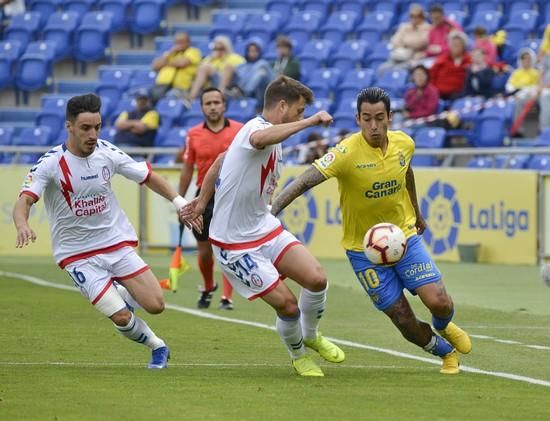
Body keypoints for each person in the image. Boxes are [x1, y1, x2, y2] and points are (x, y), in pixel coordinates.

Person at [270, 87, 472, 375]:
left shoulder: (405, 144)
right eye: (367, 119)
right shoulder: (345, 153)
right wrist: (272, 211)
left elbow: (406, 173)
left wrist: (417, 212)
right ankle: (446, 353)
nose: (374, 126)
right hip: (363, 251)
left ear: (390, 117)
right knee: (403, 319)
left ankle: (443, 325)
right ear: (357, 119)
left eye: (379, 118)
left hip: (403, 237)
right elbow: (303, 182)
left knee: (439, 302)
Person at [12, 94, 202, 369]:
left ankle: (119, 290)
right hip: (77, 255)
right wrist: (22, 224)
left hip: (115, 244)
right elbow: (25, 200)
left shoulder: (107, 152)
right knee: (123, 317)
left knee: (156, 304)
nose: (93, 134)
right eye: (85, 128)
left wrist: (180, 202)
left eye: (97, 127)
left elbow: (148, 176)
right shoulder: (51, 163)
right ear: (69, 127)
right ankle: (157, 346)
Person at [180, 76, 345, 377]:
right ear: (282, 106)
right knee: (288, 306)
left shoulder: (265, 135)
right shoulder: (256, 130)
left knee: (317, 279)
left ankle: (310, 335)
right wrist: (309, 123)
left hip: (264, 227)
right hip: (234, 245)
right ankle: (299, 357)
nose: (300, 116)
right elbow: (258, 141)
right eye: (298, 110)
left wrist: (203, 203)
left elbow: (219, 160)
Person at [179, 87, 244, 310]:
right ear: (202, 107)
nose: (213, 106)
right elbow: (187, 169)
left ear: (224, 105)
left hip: (232, 195)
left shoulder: (240, 130)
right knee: (205, 251)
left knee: (228, 247)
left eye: (217, 102)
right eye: (208, 103)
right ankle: (208, 286)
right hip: (203, 198)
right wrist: (179, 201)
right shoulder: (193, 134)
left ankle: (227, 297)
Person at [188, 36, 246, 101]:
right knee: (205, 67)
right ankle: (191, 98)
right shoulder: (210, 58)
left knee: (228, 67)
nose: (218, 51)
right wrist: (211, 59)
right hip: (213, 83)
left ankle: (220, 96)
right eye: (215, 49)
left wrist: (224, 59)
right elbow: (198, 71)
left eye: (221, 49)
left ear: (226, 48)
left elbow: (242, 72)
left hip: (231, 84)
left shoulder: (235, 57)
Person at [151, 32, 202, 103]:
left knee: (170, 96)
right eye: (177, 42)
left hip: (180, 88)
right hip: (161, 86)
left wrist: (165, 63)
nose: (178, 45)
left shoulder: (193, 51)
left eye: (181, 42)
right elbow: (155, 66)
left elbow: (182, 63)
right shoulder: (171, 53)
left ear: (188, 42)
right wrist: (171, 52)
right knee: (143, 95)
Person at [223, 39, 275, 107]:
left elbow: (273, 80)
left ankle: (244, 93)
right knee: (229, 67)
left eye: (255, 51)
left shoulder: (264, 64)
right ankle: (224, 93)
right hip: (240, 90)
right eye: (250, 51)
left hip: (259, 94)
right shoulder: (242, 66)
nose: (252, 53)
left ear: (260, 52)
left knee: (261, 70)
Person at [382, 3, 431, 69]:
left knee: (398, 69)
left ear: (422, 17)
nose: (414, 18)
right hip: (399, 56)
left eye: (417, 16)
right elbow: (394, 41)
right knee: (383, 68)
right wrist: (407, 44)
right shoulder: (404, 26)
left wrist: (405, 42)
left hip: (414, 58)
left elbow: (419, 43)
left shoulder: (427, 28)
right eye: (412, 16)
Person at [429, 30, 471, 100]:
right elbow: (432, 76)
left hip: (458, 94)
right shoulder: (442, 59)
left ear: (463, 46)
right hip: (439, 92)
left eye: (458, 45)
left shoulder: (469, 60)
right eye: (453, 45)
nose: (455, 47)